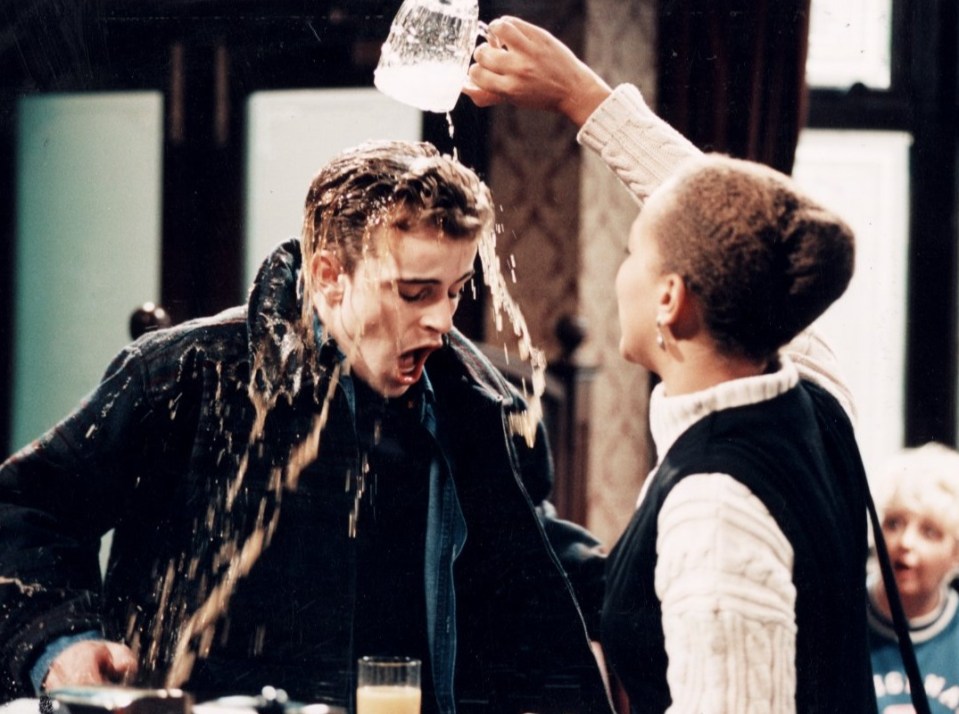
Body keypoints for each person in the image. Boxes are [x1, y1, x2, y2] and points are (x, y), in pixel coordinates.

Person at [0, 140, 612, 713]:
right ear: (328, 277)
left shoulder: (476, 403)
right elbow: (24, 509)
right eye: (414, 292)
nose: (441, 322)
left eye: (454, 292)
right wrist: (60, 644)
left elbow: (527, 543)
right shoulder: (189, 373)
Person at [466, 17, 876, 713]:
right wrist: (583, 99)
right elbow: (740, 229)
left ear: (669, 299)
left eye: (631, 252)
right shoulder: (812, 390)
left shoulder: (715, 505)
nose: (619, 273)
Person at [868, 443, 959, 713]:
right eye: (894, 523)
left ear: (956, 552)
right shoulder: (838, 620)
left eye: (929, 532)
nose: (905, 542)